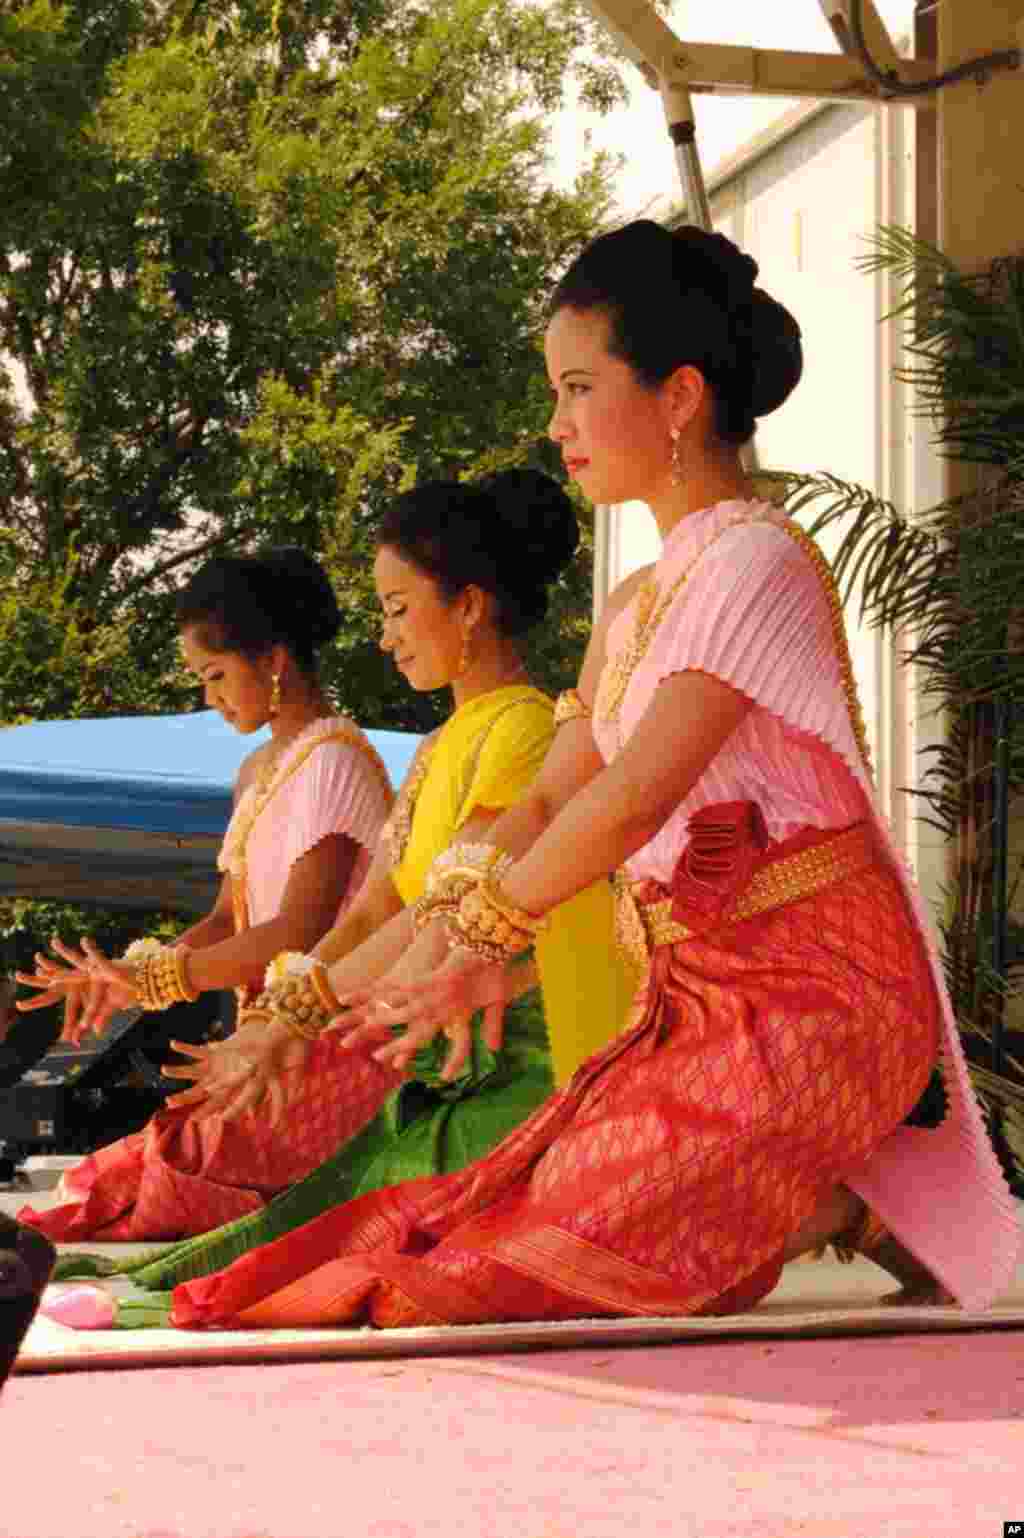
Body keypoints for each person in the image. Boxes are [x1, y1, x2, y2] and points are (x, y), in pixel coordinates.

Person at [152, 219, 1019, 1333]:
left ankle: (833, 1189)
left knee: (475, 1288)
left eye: (577, 387)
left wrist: (473, 944)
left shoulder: (751, 557)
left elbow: (631, 799)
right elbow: (546, 803)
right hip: (696, 1006)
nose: (556, 424)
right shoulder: (632, 604)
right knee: (457, 1234)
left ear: (677, 397)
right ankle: (836, 1201)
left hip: (812, 996)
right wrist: (319, 1002)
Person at [43, 470, 634, 1309]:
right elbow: (375, 910)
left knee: (344, 1252)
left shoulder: (525, 732)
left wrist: (292, 1016)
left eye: (397, 609)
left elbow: (433, 920)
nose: (387, 637)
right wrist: (282, 1015)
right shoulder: (437, 747)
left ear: (467, 605)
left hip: (525, 1063)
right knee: (285, 1227)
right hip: (425, 1054)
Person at [16, 548, 397, 1241]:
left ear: (273, 659)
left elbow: (297, 931)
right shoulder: (260, 769)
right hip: (262, 1040)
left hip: (333, 1039)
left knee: (164, 1182)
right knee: (108, 1183)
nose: (210, 698)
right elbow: (228, 918)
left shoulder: (335, 761)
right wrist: (125, 976)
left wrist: (157, 976)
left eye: (216, 675)